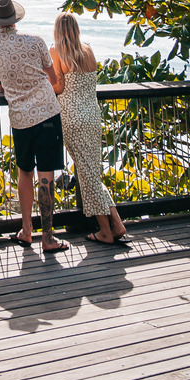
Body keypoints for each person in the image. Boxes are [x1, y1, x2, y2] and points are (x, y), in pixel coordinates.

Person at [0, 0, 68, 253]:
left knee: (24, 172)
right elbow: (53, 79)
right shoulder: (35, 41)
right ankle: (49, 237)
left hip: (20, 119)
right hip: (47, 114)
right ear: (15, 17)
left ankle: (27, 230)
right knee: (46, 175)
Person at [51, 14, 130, 246]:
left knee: (87, 175)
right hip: (93, 115)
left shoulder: (56, 52)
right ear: (76, 29)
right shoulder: (88, 50)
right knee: (91, 172)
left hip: (72, 117)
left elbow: (58, 86)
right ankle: (116, 223)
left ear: (58, 31)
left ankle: (106, 231)